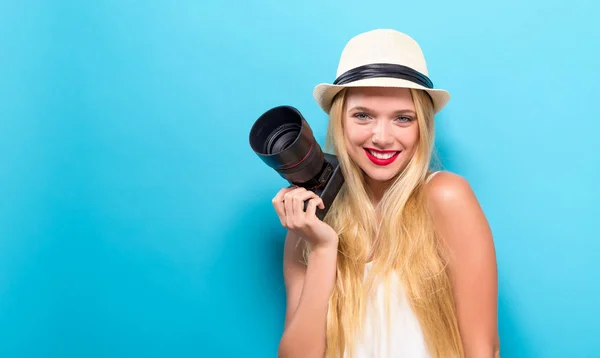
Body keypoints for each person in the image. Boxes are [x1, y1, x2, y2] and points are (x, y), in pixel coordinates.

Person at [272, 29, 500, 358]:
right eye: (363, 115)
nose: (382, 137)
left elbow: (484, 350)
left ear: (422, 125)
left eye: (402, 119)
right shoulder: (312, 219)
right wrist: (322, 250)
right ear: (341, 121)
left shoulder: (446, 197)